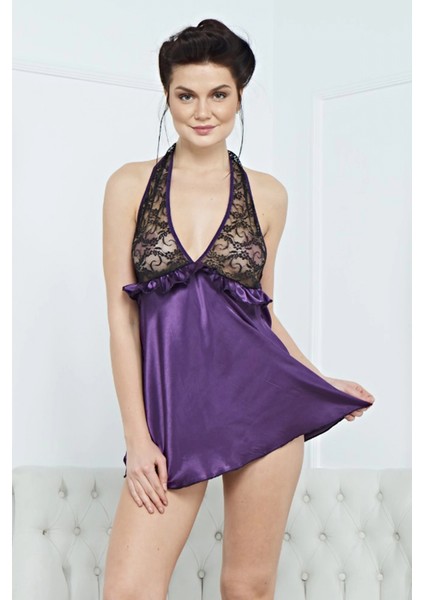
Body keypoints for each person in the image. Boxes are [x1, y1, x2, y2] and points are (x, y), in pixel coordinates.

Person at [102, 18, 375, 600]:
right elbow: (122, 320)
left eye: (218, 95)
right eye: (186, 95)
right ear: (168, 96)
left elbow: (262, 313)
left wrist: (317, 380)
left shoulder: (268, 195)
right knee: (130, 590)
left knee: (247, 586)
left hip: (263, 406)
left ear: (239, 97)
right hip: (172, 416)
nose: (203, 111)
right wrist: (138, 438)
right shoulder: (129, 186)